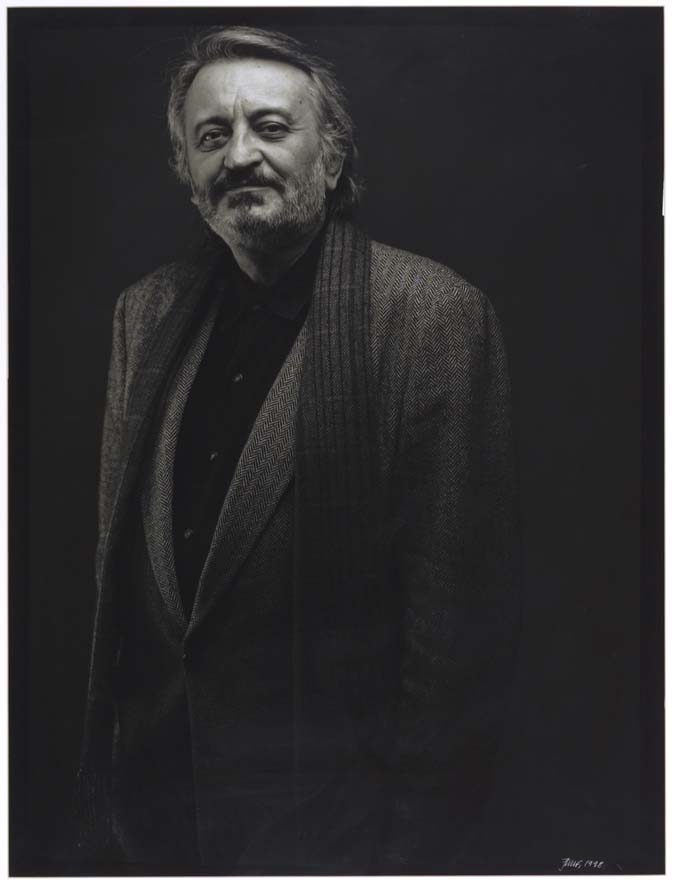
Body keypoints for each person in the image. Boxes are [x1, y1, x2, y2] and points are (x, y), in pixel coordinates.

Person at [76, 25, 521, 875]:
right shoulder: (144, 314)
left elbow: (457, 639)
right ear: (186, 170)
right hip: (157, 817)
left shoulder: (432, 317)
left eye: (271, 128)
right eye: (212, 136)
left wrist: (407, 857)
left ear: (333, 151)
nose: (240, 156)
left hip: (335, 830)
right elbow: (122, 584)